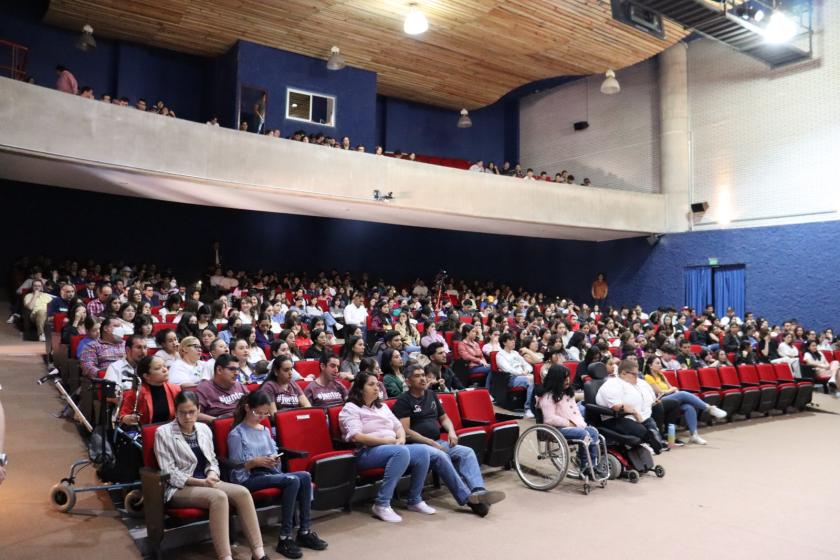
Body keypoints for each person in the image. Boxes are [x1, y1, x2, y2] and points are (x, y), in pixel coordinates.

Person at [153, 392, 269, 560]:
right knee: (219, 497)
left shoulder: (204, 429)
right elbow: (169, 472)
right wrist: (201, 481)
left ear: (198, 409)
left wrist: (213, 472)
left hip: (207, 481)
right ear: (175, 411)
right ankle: (225, 557)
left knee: (242, 492)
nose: (187, 416)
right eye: (182, 412)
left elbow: (212, 460)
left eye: (192, 411)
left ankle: (259, 553)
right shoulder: (163, 433)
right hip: (180, 487)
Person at [393, 363, 505, 517]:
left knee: (467, 452)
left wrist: (451, 431)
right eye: (417, 376)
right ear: (408, 381)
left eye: (423, 375)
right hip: (419, 448)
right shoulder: (403, 401)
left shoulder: (431, 395)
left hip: (438, 443)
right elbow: (406, 431)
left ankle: (479, 491)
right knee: (442, 456)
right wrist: (430, 443)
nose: (423, 379)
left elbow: (444, 418)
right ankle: (470, 500)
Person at [228, 391, 328, 558]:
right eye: (257, 412)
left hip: (268, 472)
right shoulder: (237, 433)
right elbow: (237, 467)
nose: (261, 416)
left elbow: (274, 453)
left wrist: (274, 459)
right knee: (291, 480)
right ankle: (285, 536)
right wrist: (255, 462)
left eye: (265, 413)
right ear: (247, 408)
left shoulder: (264, 430)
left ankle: (304, 530)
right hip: (251, 477)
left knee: (304, 475)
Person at [338, 372, 433, 523]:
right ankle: (382, 504)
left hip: (391, 447)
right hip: (365, 452)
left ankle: (414, 499)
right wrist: (387, 442)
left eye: (377, 384)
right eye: (371, 385)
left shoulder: (381, 406)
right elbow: (356, 436)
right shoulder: (351, 408)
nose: (376, 388)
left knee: (422, 451)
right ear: (360, 389)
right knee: (400, 452)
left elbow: (398, 426)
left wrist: (401, 438)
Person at [537, 364, 608, 477]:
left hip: (573, 426)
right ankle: (585, 466)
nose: (568, 380)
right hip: (556, 429)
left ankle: (593, 465)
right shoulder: (547, 397)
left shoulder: (567, 393)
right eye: (564, 378)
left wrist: (581, 424)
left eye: (568, 377)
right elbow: (549, 419)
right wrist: (569, 423)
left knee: (593, 431)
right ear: (556, 379)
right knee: (583, 433)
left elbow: (576, 412)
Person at [644, 357, 727, 445]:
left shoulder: (661, 375)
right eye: (657, 363)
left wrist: (673, 390)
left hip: (671, 397)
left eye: (660, 363)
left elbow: (671, 387)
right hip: (659, 401)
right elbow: (660, 392)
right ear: (650, 365)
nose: (660, 365)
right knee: (683, 394)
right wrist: (672, 390)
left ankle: (694, 435)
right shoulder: (648, 377)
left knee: (689, 407)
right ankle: (709, 408)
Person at [595, 358, 664, 453]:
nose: (637, 377)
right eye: (634, 374)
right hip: (615, 418)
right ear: (623, 373)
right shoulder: (612, 384)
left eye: (637, 373)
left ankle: (655, 441)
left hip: (637, 416)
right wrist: (635, 413)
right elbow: (616, 406)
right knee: (643, 430)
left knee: (651, 425)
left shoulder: (637, 383)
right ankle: (651, 442)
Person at [119, 355, 181, 425]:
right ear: (146, 376)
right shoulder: (137, 392)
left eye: (165, 366)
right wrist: (126, 418)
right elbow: (122, 416)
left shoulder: (176, 389)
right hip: (145, 433)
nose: (165, 370)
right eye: (158, 368)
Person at [194, 354, 249, 422]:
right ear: (219, 370)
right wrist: (219, 421)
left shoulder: (239, 385)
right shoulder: (204, 388)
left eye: (238, 369)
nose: (237, 373)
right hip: (222, 427)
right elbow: (195, 414)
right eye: (232, 369)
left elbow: (254, 405)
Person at [495, 333, 535, 418]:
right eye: (511, 340)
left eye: (514, 340)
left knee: (538, 379)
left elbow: (528, 366)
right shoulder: (500, 355)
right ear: (504, 343)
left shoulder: (515, 353)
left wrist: (526, 370)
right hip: (510, 378)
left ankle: (537, 407)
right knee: (531, 380)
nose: (514, 342)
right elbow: (508, 369)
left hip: (523, 375)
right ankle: (528, 408)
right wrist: (522, 373)